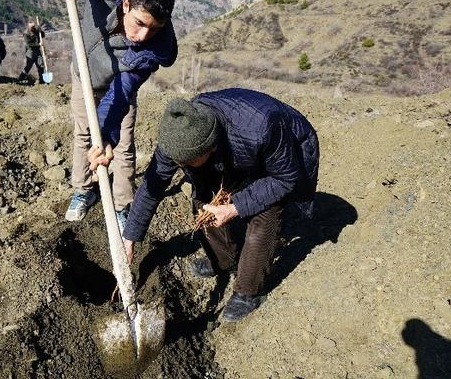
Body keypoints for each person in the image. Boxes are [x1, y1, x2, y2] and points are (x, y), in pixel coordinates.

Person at [97, 90, 319, 322]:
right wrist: (130, 237)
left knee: (264, 211)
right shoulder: (178, 135)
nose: (179, 166)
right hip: (238, 147)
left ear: (210, 148)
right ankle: (224, 259)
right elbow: (152, 186)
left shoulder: (262, 127)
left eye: (185, 162)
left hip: (285, 152)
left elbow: (285, 178)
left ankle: (248, 292)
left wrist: (235, 207)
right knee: (204, 196)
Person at [56, 0, 178, 224]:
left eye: (154, 28)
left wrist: (106, 135)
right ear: (126, 5)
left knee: (121, 143)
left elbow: (121, 94)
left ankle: (123, 205)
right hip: (82, 73)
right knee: (83, 134)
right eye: (139, 22)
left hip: (116, 87)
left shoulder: (151, 52)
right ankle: (83, 189)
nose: (142, 35)